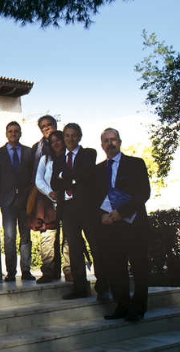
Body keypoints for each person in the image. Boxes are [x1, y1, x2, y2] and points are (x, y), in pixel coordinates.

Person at [96, 128, 151, 322]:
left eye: (113, 140)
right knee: (115, 268)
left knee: (138, 267)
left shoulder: (136, 164)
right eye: (106, 141)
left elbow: (143, 193)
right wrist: (102, 217)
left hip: (133, 224)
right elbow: (94, 199)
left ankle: (138, 309)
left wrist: (121, 213)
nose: (110, 143)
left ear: (119, 142)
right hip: (111, 227)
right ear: (102, 145)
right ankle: (122, 306)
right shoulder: (98, 169)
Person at [51, 123, 102, 300]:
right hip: (68, 209)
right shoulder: (58, 160)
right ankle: (80, 287)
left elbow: (86, 175)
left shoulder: (88, 153)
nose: (70, 139)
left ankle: (103, 286)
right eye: (66, 136)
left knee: (95, 246)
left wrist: (65, 176)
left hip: (87, 207)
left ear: (79, 137)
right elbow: (54, 184)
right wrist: (72, 178)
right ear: (63, 138)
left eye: (73, 136)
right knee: (74, 249)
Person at [0, 121, 35, 282]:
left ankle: (26, 271)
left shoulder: (28, 152)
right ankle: (11, 272)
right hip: (7, 202)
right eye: (10, 131)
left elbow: (33, 177)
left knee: (26, 237)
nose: (13, 133)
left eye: (16, 131)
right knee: (9, 238)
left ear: (20, 133)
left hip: (25, 201)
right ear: (6, 133)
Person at [33, 130, 65, 283]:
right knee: (47, 237)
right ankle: (47, 271)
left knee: (69, 238)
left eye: (59, 140)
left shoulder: (69, 158)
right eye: (53, 142)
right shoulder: (45, 159)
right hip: (48, 203)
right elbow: (38, 179)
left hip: (67, 202)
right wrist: (50, 192)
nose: (56, 143)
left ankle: (69, 270)